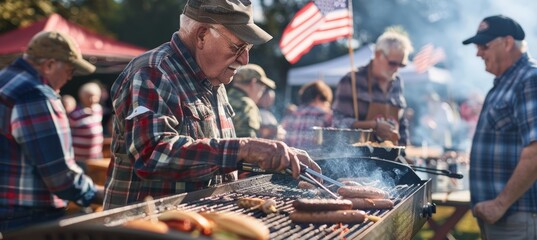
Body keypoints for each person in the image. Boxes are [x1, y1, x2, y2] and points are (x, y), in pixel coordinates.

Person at [103, 0, 321, 210]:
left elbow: (217, 160)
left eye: (248, 48)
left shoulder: (215, 79)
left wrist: (271, 157)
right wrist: (244, 148)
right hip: (143, 227)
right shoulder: (153, 71)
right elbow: (152, 156)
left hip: (199, 223)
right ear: (202, 35)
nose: (245, 59)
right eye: (238, 46)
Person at [0, 31, 103, 232]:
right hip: (27, 217)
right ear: (49, 65)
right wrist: (96, 193)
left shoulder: (4, 80)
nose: (69, 78)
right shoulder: (36, 94)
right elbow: (59, 176)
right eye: (70, 70)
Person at [462, 15, 537, 239]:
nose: (477, 53)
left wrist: (500, 204)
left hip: (515, 215)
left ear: (507, 43)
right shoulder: (509, 81)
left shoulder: (529, 79)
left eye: (483, 45)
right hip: (504, 216)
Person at [332, 28, 413, 146]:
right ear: (378, 54)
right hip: (358, 158)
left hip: (390, 156)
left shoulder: (397, 82)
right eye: (392, 63)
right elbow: (338, 123)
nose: (396, 69)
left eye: (401, 65)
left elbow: (401, 122)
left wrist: (403, 151)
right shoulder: (352, 80)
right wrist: (374, 126)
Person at [228, 63, 276, 138]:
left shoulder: (223, 98)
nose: (262, 91)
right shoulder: (247, 105)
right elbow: (247, 144)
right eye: (263, 86)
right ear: (253, 83)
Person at [281, 80, 333, 149]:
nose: (327, 105)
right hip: (313, 159)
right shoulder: (325, 116)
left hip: (291, 158)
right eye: (325, 100)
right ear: (318, 97)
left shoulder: (290, 116)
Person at [68, 81, 104, 162]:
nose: (92, 99)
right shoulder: (75, 114)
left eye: (95, 96)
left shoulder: (98, 109)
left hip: (96, 156)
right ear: (82, 97)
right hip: (79, 159)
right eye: (89, 96)